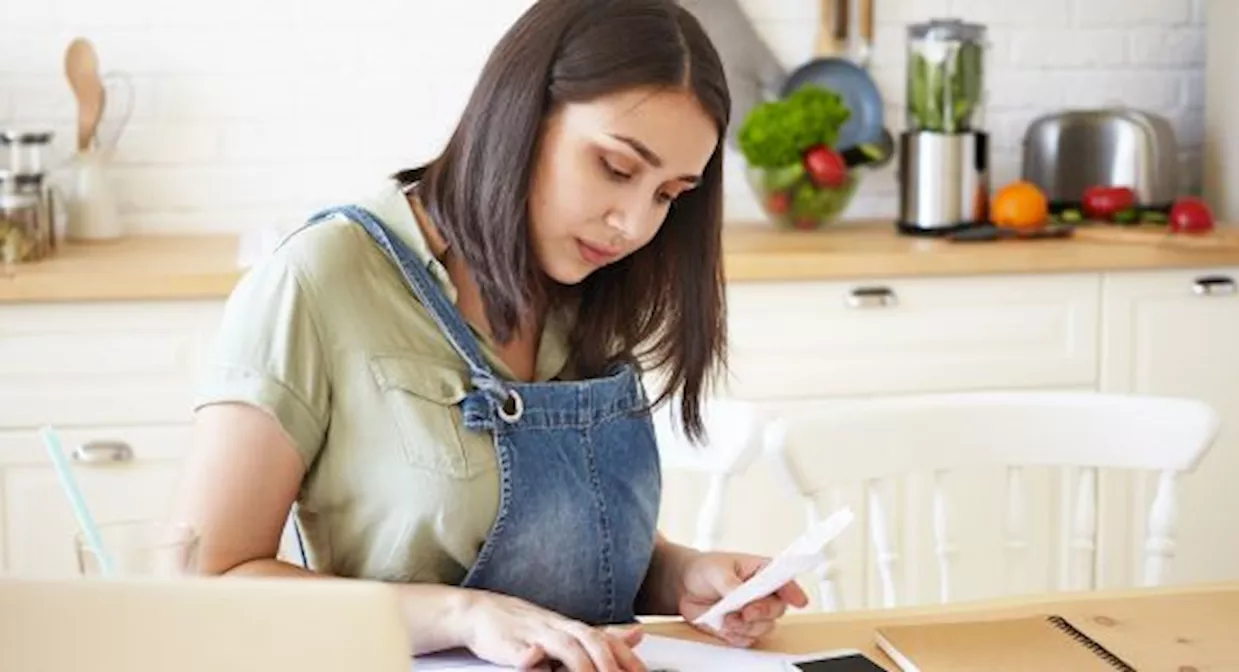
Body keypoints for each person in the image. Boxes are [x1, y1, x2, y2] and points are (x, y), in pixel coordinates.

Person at [171, 1, 808, 670]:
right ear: (521, 114)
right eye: (617, 169)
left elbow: (559, 546)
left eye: (668, 194)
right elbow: (209, 584)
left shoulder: (589, 286)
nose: (633, 225)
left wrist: (678, 573)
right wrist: (461, 615)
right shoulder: (320, 279)